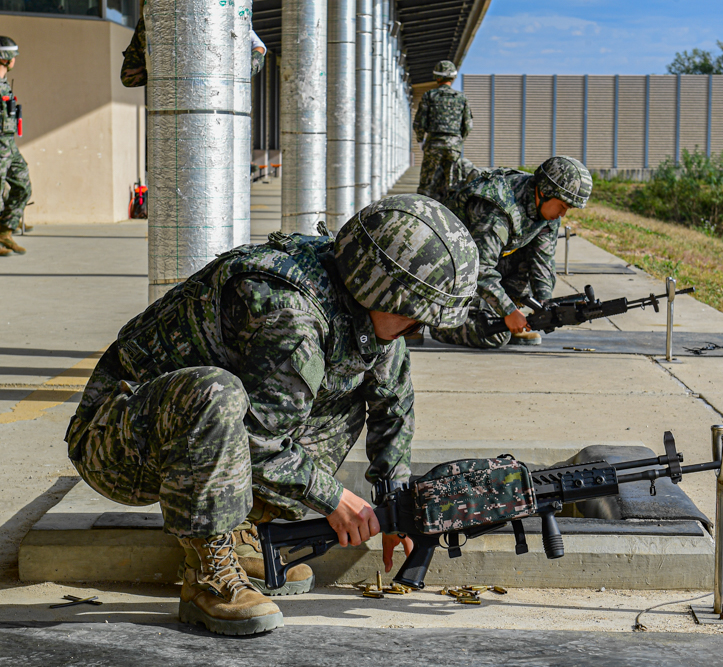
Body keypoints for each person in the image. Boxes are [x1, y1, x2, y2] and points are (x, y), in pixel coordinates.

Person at [64, 194, 479, 635]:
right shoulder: (293, 316)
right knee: (217, 395)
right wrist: (335, 498)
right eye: (414, 319)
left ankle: (242, 530)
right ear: (380, 290)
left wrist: (396, 504)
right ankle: (208, 574)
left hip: (193, 436)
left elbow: (392, 402)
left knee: (339, 400)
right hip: (119, 445)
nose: (415, 331)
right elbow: (256, 438)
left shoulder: (355, 299)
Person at [431, 156, 592, 349]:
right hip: (443, 271)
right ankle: (439, 323)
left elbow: (542, 263)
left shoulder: (544, 209)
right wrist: (508, 311)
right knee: (494, 337)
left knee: (528, 267)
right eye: (563, 206)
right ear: (545, 192)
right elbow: (479, 268)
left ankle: (506, 322)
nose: (563, 214)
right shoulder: (499, 209)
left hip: (473, 266)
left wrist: (546, 309)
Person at [120, 13, 267, 87]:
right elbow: (129, 77)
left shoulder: (224, 11)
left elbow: (258, 47)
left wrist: (241, 72)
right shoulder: (155, 16)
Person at [412, 60, 473, 202]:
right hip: (454, 146)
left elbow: (419, 123)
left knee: (427, 185)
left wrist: (421, 140)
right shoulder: (461, 98)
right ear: (453, 77)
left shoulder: (429, 96)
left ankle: (423, 214)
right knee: (453, 185)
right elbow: (468, 126)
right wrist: (458, 141)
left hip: (433, 144)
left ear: (437, 77)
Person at [0, 36, 30, 256]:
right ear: (5, 58)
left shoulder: (4, 84)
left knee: (22, 186)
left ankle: (4, 232)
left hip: (8, 144)